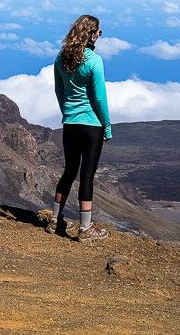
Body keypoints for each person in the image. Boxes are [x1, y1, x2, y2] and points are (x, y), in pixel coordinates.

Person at [47, 14, 112, 243]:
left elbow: (59, 91)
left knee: (69, 171)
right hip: (91, 125)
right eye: (99, 32)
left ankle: (55, 220)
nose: (100, 35)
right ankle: (85, 229)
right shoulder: (94, 61)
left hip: (70, 124)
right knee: (87, 176)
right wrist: (107, 126)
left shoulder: (61, 58)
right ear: (92, 34)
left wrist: (67, 114)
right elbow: (100, 98)